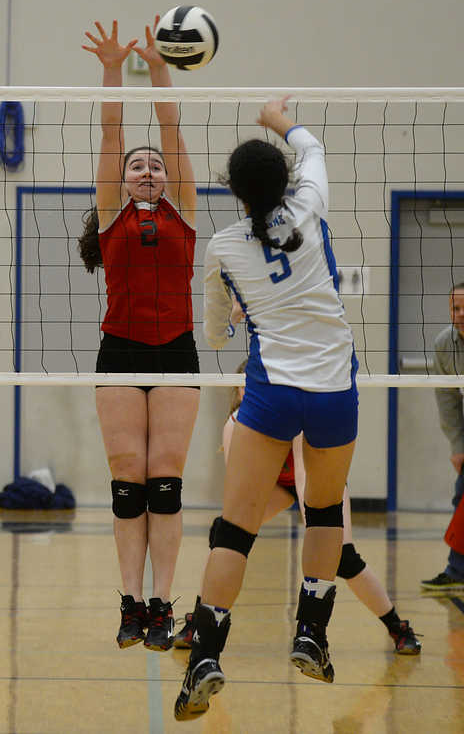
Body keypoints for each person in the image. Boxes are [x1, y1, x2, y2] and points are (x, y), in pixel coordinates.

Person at [174, 97, 359, 721]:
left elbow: (216, 338)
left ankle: (205, 653)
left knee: (236, 528)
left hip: (271, 391)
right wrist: (277, 118)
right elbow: (313, 149)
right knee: (325, 510)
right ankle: (311, 633)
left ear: (234, 192)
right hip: (333, 388)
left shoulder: (224, 248)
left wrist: (236, 309)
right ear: (283, 182)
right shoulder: (309, 204)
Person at [78, 16, 200, 652]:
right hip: (120, 350)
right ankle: (129, 603)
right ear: (123, 180)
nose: (148, 170)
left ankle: (162, 602)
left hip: (177, 351)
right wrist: (109, 68)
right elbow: (110, 130)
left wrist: (157, 67)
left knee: (166, 482)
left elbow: (171, 129)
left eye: (155, 164)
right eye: (138, 166)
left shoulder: (183, 210)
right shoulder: (110, 214)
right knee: (128, 481)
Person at [173, 360, 421, 655]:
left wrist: (317, 531)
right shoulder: (236, 425)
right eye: (243, 386)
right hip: (275, 486)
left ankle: (398, 627)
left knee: (343, 557)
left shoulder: (291, 417)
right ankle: (199, 623)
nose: (248, 391)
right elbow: (240, 491)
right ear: (239, 393)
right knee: (223, 536)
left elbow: (305, 478)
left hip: (317, 480)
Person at [422, 282, 464, 591]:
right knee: (462, 496)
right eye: (455, 308)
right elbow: (447, 399)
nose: (460, 314)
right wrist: (458, 446)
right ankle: (457, 570)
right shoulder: (444, 344)